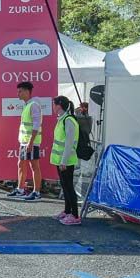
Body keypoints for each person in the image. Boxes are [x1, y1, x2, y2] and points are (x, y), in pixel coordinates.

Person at [8, 81, 43, 200]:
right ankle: (20, 189)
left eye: (20, 91)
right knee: (21, 164)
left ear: (27, 92)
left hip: (31, 142)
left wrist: (31, 142)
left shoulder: (33, 105)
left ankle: (37, 192)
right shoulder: (27, 105)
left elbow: (36, 125)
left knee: (34, 166)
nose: (18, 93)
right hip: (24, 141)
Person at [51, 96, 81, 225]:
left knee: (69, 187)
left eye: (54, 104)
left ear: (59, 106)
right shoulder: (62, 119)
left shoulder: (68, 120)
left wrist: (63, 161)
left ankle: (75, 215)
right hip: (61, 160)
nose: (52, 107)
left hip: (66, 161)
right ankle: (67, 211)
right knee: (65, 186)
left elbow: (69, 143)